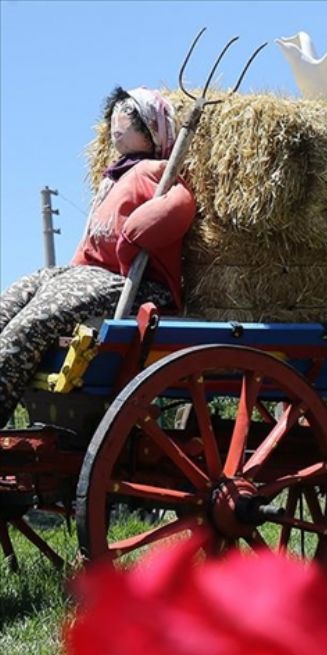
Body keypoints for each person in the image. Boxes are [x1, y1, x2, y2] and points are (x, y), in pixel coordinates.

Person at [0, 87, 195, 426]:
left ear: (150, 127)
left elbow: (181, 204)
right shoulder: (112, 177)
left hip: (136, 284)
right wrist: (65, 275)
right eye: (115, 115)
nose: (117, 123)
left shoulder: (158, 172)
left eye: (128, 116)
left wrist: (144, 225)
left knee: (32, 326)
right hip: (88, 275)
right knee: (9, 304)